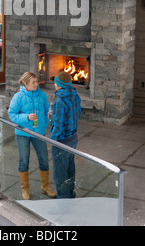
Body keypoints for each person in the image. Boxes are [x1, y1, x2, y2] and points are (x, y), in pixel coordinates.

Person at [8, 71, 56, 200]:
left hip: (39, 132)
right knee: (24, 161)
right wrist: (27, 117)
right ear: (25, 83)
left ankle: (45, 187)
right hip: (23, 134)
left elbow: (46, 110)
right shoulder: (18, 97)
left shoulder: (42, 95)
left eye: (36, 81)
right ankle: (25, 189)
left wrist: (48, 116)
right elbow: (12, 114)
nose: (36, 84)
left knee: (44, 160)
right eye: (33, 82)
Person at [50, 70, 81, 199]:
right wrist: (55, 114)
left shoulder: (60, 102)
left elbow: (58, 126)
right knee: (70, 168)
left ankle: (63, 201)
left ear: (59, 85)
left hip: (61, 141)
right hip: (73, 138)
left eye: (55, 82)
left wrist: (52, 140)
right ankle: (70, 193)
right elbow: (76, 114)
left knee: (60, 173)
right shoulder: (75, 96)